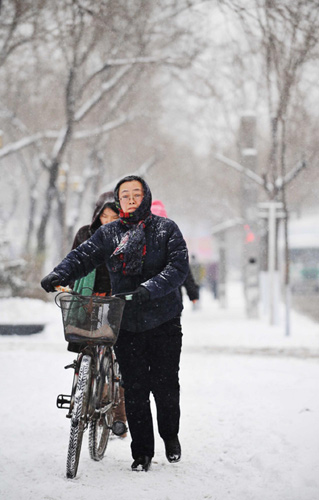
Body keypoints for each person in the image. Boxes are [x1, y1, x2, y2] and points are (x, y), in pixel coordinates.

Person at [41, 175, 189, 472]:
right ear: (118, 201)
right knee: (134, 389)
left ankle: (169, 435)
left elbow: (178, 267)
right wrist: (59, 274)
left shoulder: (166, 229)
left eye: (137, 193)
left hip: (164, 320)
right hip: (126, 322)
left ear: (146, 197)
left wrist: (149, 288)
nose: (131, 199)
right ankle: (142, 453)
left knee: (165, 387)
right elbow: (83, 255)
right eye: (125, 195)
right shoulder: (109, 233)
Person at [70, 191, 127, 434]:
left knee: (120, 359)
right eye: (104, 215)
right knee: (85, 348)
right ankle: (81, 396)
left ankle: (119, 415)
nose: (108, 219)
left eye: (114, 215)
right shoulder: (85, 234)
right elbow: (72, 260)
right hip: (88, 299)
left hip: (116, 299)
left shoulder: (127, 235)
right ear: (96, 215)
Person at [151, 200, 199, 305]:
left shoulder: (173, 240)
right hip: (157, 295)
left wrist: (192, 292)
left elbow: (183, 267)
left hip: (169, 296)